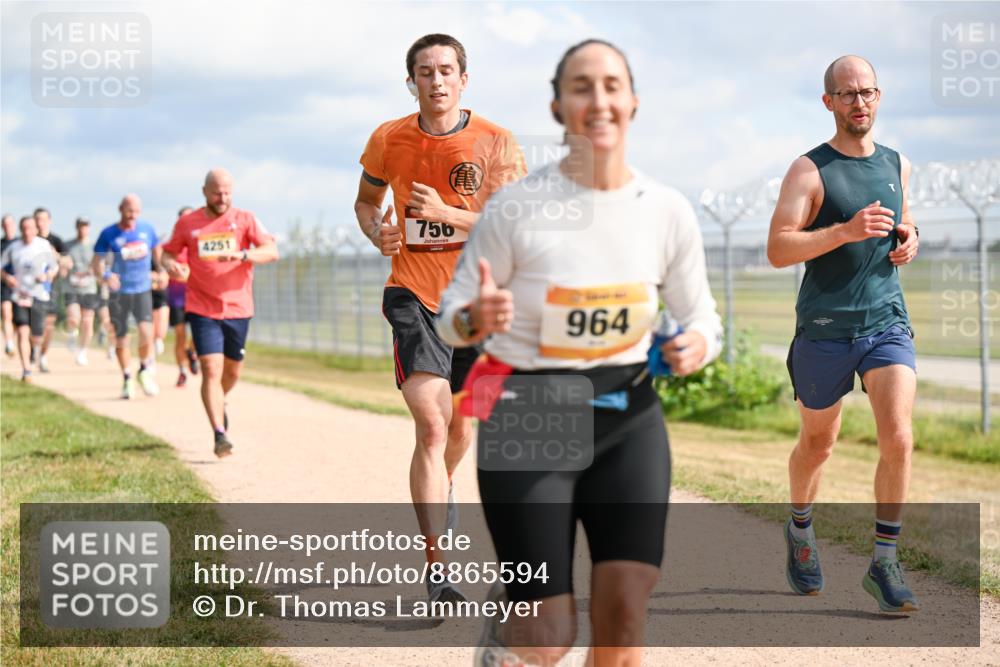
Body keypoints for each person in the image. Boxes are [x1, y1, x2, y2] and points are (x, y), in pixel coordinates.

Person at [437, 39, 722, 666]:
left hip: (629, 418)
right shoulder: (515, 209)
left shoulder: (666, 211)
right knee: (548, 634)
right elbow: (450, 317)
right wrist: (475, 317)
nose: (599, 100)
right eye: (582, 87)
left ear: (634, 102)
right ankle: (508, 639)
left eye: (612, 85)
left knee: (624, 612)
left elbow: (702, 314)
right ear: (557, 106)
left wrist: (697, 343)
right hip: (531, 412)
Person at [354, 32, 525, 607]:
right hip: (413, 296)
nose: (437, 80)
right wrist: (378, 231)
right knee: (430, 425)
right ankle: (436, 565)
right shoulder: (388, 138)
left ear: (464, 79)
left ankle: (446, 483)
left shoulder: (496, 142)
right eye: (425, 72)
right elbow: (365, 202)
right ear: (412, 81)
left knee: (459, 428)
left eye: (447, 70)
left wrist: (444, 212)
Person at [766, 55, 921, 613]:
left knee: (899, 437)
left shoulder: (898, 164)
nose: (860, 101)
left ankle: (884, 561)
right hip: (826, 329)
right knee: (817, 444)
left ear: (879, 97)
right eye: (848, 93)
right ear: (828, 101)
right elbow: (779, 248)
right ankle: (801, 529)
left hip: (886, 323)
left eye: (869, 91)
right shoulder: (809, 170)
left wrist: (909, 238)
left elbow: (904, 222)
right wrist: (843, 232)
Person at [162, 169, 278, 457]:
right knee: (210, 370)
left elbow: (271, 250)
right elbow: (167, 253)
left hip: (239, 308)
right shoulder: (187, 223)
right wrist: (170, 265)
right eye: (216, 192)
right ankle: (219, 434)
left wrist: (242, 255)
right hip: (202, 307)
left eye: (227, 192)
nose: (222, 198)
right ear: (204, 191)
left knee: (232, 372)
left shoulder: (245, 219)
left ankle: (218, 401)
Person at [92, 194, 163, 399]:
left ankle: (143, 370)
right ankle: (127, 378)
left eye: (137, 211)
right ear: (120, 209)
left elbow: (157, 253)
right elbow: (97, 262)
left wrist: (160, 270)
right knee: (121, 339)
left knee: (146, 333)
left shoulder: (147, 230)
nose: (133, 215)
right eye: (129, 211)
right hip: (119, 293)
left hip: (142, 289)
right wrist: (105, 276)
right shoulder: (108, 233)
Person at [1, 215, 58, 382]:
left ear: (35, 230)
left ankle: (35, 350)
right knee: (23, 331)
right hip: (20, 295)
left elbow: (54, 268)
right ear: (21, 230)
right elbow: (1, 268)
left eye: (30, 228)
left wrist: (47, 276)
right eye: (24, 229)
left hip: (39, 294)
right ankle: (26, 370)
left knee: (37, 334)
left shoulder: (43, 245)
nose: (27, 232)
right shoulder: (14, 248)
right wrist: (7, 278)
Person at [167, 206, 199, 387]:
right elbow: (167, 267)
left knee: (197, 335)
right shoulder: (174, 245)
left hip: (197, 297)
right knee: (180, 335)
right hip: (177, 298)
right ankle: (182, 371)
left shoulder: (199, 242)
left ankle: (192, 353)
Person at [63, 217, 100, 365]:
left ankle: (83, 351)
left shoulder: (94, 246)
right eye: (80, 226)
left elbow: (100, 265)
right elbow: (63, 264)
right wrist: (64, 264)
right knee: (73, 318)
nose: (82, 229)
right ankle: (72, 332)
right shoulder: (68, 245)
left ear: (88, 228)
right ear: (76, 227)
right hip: (71, 287)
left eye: (85, 226)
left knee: (87, 321)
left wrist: (92, 270)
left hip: (88, 288)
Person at [33, 207, 65, 373]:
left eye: (43, 219)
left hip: (51, 287)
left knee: (49, 325)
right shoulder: (29, 239)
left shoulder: (57, 240)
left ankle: (43, 355)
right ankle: (34, 350)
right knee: (33, 324)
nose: (40, 223)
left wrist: (56, 255)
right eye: (37, 219)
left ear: (49, 221)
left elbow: (67, 263)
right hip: (32, 288)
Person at [1, 214, 17, 356]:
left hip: (22, 286)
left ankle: (15, 338)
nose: (8, 227)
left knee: (18, 319)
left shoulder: (20, 243)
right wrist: (6, 277)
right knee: (6, 313)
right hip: (5, 284)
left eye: (10, 224)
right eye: (5, 224)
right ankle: (9, 343)